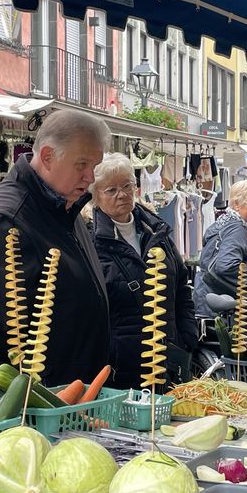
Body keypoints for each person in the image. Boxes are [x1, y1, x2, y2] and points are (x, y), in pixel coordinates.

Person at [0, 109, 111, 387]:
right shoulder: (3, 221)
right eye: (82, 164)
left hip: (73, 398)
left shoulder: (63, 207)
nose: (90, 176)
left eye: (95, 166)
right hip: (38, 405)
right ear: (49, 157)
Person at [90, 153, 198, 389]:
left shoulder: (156, 231)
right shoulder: (90, 241)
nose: (122, 194)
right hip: (120, 371)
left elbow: (181, 284)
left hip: (167, 359)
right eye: (111, 190)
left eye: (127, 185)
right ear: (95, 196)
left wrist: (186, 336)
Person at [193, 178, 247, 317]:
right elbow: (226, 265)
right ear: (237, 204)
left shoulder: (223, 222)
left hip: (205, 297)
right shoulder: (236, 228)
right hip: (220, 304)